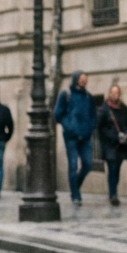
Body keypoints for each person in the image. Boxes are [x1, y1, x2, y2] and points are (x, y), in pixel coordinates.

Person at [54, 70, 96, 206]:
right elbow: (57, 114)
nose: (84, 81)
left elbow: (93, 115)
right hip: (71, 136)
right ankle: (76, 195)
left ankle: (75, 187)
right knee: (73, 165)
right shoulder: (66, 94)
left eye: (85, 78)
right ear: (75, 79)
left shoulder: (89, 97)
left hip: (85, 136)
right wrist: (69, 126)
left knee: (88, 164)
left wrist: (90, 127)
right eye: (81, 78)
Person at [96, 84, 127, 206]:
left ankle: (113, 191)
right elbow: (99, 127)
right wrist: (112, 136)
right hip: (109, 145)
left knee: (117, 170)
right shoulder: (104, 109)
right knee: (112, 168)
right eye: (113, 92)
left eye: (117, 92)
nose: (115, 94)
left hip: (121, 145)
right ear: (109, 93)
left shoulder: (124, 109)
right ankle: (113, 195)